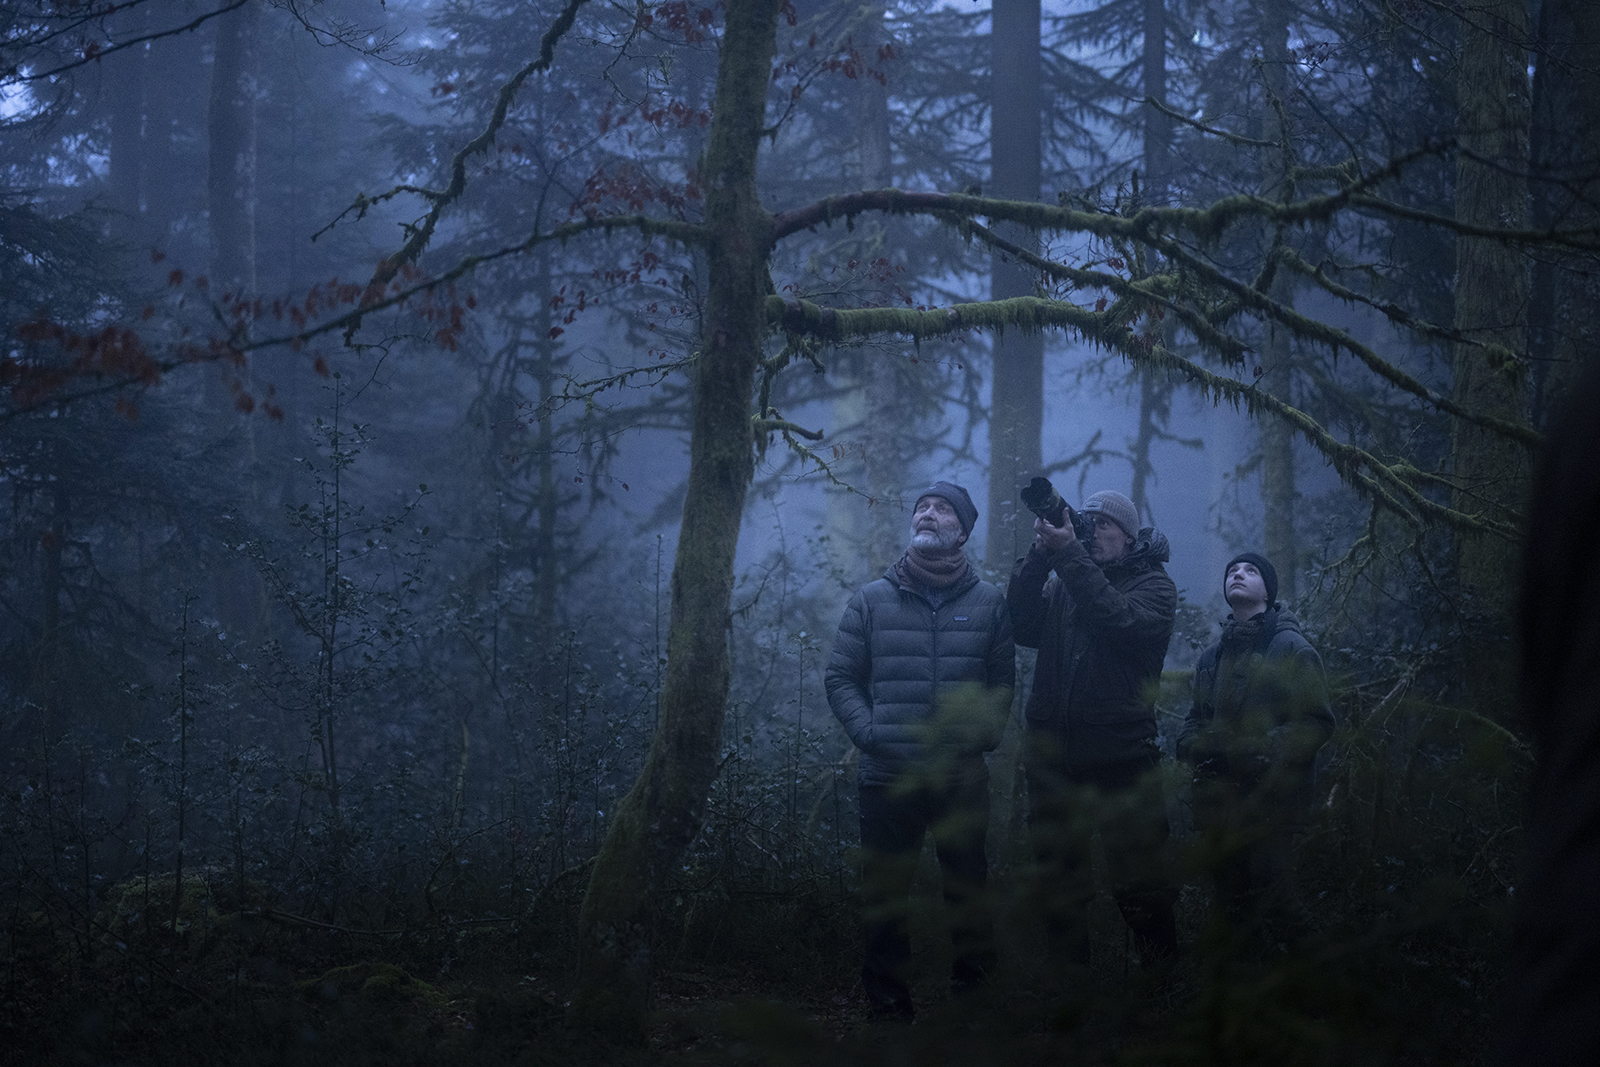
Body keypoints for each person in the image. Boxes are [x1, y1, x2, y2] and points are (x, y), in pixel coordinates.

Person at [825, 480, 1015, 1021]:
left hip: (961, 778)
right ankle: (889, 1012)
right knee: (885, 899)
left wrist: (983, 735)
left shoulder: (988, 603)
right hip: (887, 777)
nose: (928, 514)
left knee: (968, 894)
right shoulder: (872, 599)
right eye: (922, 507)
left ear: (963, 531)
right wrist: (871, 734)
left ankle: (974, 1008)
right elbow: (840, 678)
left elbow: (1001, 684)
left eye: (942, 509)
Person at [1008, 488, 1179, 977]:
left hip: (1121, 754)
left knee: (1140, 880)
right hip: (1054, 755)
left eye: (1104, 524)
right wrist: (1040, 556)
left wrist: (1068, 555)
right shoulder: (1068, 579)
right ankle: (1070, 991)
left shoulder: (1155, 586)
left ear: (1129, 536)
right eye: (1088, 523)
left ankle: (1165, 985)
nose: (1093, 532)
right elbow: (1021, 623)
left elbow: (1116, 618)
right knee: (1058, 880)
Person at [1177, 552, 1334, 942]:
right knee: (1229, 906)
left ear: (1268, 592)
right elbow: (1195, 718)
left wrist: (1260, 751)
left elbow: (1316, 722)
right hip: (1219, 804)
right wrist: (1194, 748)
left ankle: (1325, 971)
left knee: (1277, 897)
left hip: (1272, 801)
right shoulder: (1212, 656)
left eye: (1250, 571)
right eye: (1232, 571)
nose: (1238, 574)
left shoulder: (1292, 648)